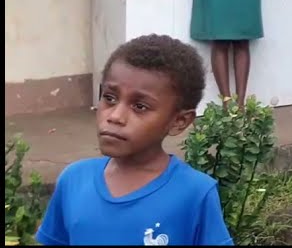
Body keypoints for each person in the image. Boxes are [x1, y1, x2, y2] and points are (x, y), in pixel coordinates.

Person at [37, 34, 233, 246]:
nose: (115, 116)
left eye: (140, 106)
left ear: (179, 121)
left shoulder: (195, 193)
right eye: (110, 98)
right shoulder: (74, 180)